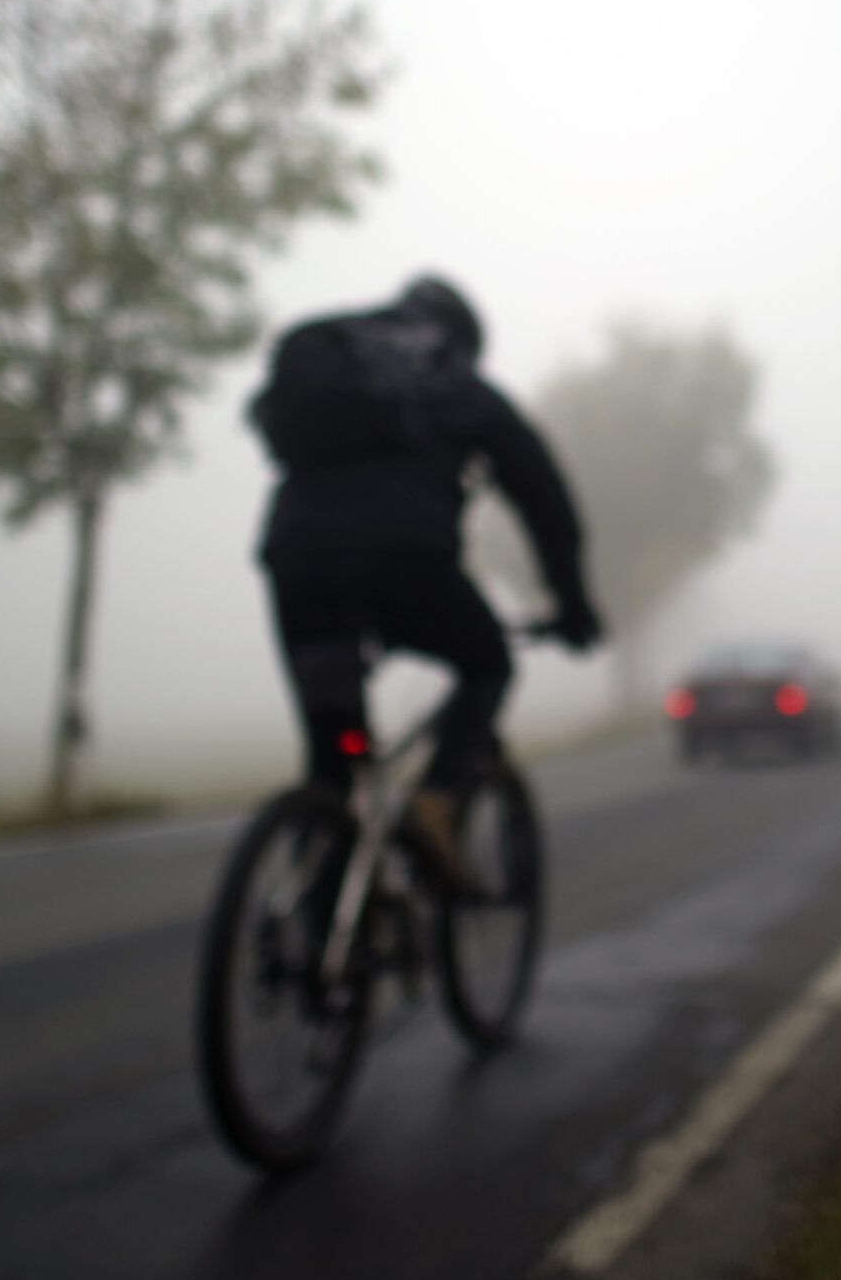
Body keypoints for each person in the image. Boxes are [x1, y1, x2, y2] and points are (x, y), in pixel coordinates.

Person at [248, 275, 603, 881]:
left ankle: (309, 938)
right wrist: (573, 606)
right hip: (403, 560)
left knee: (333, 760)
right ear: (461, 338)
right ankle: (438, 799)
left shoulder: (334, 351)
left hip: (297, 557)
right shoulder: (462, 387)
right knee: (487, 663)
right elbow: (545, 501)